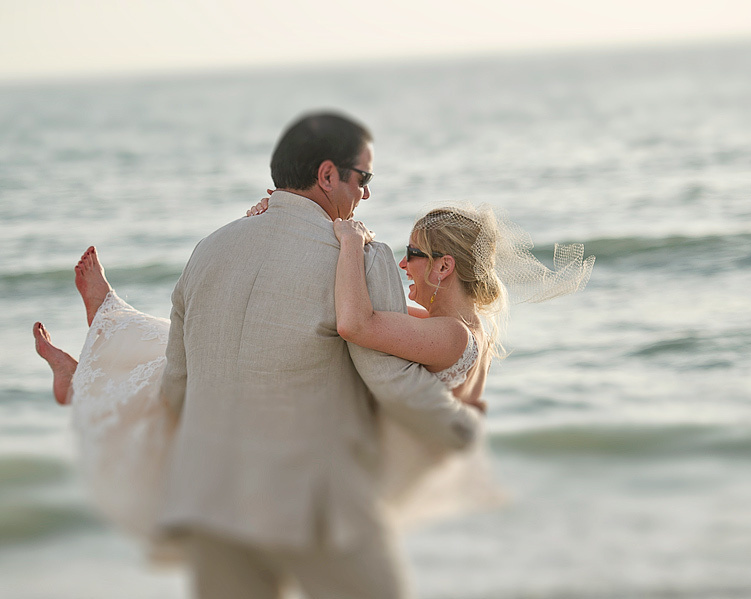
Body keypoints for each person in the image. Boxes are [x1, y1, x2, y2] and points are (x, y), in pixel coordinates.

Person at [35, 112, 487, 599]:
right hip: (315, 506)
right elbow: (390, 380)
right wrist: (458, 430)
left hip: (210, 502)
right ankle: (95, 355)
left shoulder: (208, 250)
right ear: (328, 174)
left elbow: (176, 386)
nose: (367, 194)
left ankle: (97, 358)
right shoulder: (359, 257)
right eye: (364, 178)